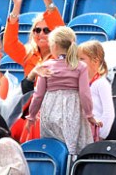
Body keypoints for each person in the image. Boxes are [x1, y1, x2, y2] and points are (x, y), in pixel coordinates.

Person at [3, 0, 65, 142]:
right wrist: (16, 7)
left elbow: (61, 30)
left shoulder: (61, 54)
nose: (41, 34)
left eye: (47, 30)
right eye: (37, 30)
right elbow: (9, 44)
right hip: (29, 108)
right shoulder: (28, 54)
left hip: (53, 107)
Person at [25, 26, 99, 154]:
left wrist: (31, 116)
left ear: (54, 46)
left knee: (52, 149)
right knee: (73, 150)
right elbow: (84, 94)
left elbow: (38, 95)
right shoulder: (80, 66)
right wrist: (89, 115)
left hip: (49, 112)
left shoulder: (46, 66)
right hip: (72, 112)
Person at [78, 40, 115, 140]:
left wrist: (100, 135)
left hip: (95, 134)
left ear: (95, 61)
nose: (78, 63)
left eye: (81, 59)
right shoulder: (79, 82)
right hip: (81, 133)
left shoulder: (101, 83)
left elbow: (109, 113)